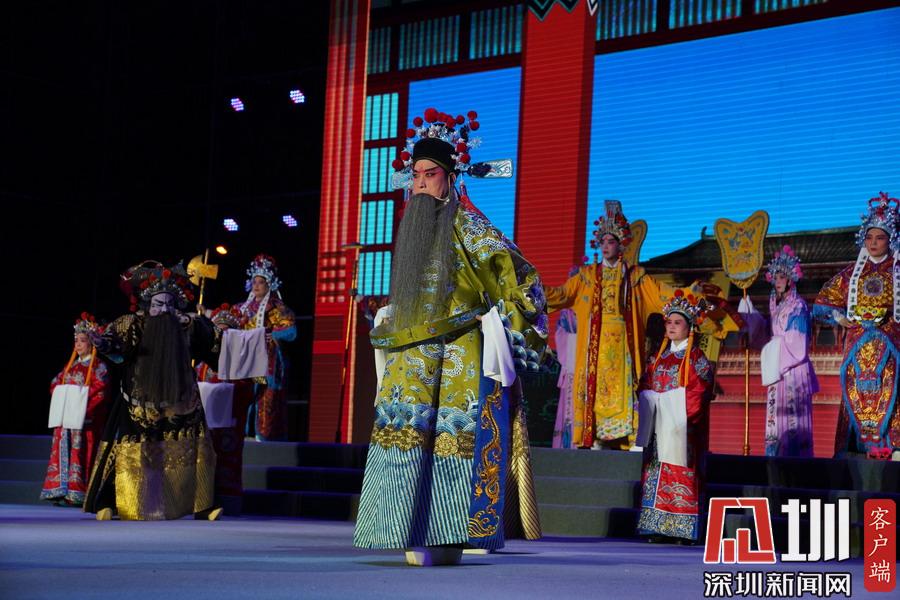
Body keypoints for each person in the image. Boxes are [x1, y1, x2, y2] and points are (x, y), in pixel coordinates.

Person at [353, 107, 548, 565]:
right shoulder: (412, 230)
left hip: (458, 351)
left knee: (451, 439)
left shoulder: (470, 227)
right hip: (410, 353)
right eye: (416, 175)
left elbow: (523, 281)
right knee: (403, 431)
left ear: (451, 177)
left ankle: (445, 536)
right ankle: (400, 527)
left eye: (431, 174)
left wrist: (498, 324)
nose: (420, 183)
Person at [545, 202, 718, 450]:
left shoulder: (636, 278)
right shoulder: (586, 277)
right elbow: (561, 294)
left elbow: (664, 295)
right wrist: (534, 289)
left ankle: (626, 438)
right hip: (595, 348)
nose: (606, 246)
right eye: (602, 241)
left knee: (626, 390)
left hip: (624, 348)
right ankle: (595, 438)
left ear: (621, 245)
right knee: (596, 390)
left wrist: (689, 292)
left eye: (611, 241)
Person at [83, 261, 221, 520]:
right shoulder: (132, 323)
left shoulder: (186, 325)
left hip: (181, 399)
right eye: (158, 304)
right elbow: (115, 347)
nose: (164, 309)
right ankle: (110, 502)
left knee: (195, 445)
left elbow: (213, 344)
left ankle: (203, 505)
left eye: (169, 304)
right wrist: (102, 343)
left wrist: (197, 323)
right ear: (147, 304)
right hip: (140, 400)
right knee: (128, 448)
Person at [814, 192, 900, 460]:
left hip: (889, 346)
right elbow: (823, 302)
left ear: (890, 239)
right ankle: (858, 452)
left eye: (880, 237)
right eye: (869, 237)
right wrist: (840, 318)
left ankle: (891, 450)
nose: (873, 242)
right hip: (857, 351)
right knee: (857, 395)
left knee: (891, 395)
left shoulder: (897, 270)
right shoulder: (852, 273)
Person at [636, 290, 713, 544]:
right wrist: (650, 398)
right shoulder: (657, 358)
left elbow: (700, 391)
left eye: (677, 323)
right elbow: (644, 384)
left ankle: (682, 528)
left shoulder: (696, 359)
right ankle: (655, 525)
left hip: (683, 429)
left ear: (689, 327)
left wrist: (673, 408)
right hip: (659, 426)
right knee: (656, 472)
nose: (671, 327)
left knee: (680, 472)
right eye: (669, 322)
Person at [740, 245, 818, 457]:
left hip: (792, 368)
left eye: (782, 277)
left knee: (793, 419)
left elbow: (797, 344)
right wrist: (749, 315)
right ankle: (775, 460)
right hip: (779, 367)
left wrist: (773, 350)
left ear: (791, 278)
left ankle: (794, 463)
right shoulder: (776, 306)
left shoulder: (798, 306)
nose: (778, 281)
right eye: (775, 277)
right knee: (777, 417)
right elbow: (767, 333)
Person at [40, 313, 111, 506]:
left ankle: (79, 493)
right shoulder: (71, 366)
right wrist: (65, 396)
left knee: (82, 453)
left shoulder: (99, 367)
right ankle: (60, 490)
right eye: (76, 341)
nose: (78, 345)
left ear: (91, 343)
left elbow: (100, 392)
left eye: (82, 341)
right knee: (62, 451)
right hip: (66, 419)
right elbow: (55, 382)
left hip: (84, 421)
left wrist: (83, 409)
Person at [228, 254, 297, 441]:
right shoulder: (242, 308)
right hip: (244, 360)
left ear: (269, 284)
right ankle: (241, 434)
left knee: (267, 399)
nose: (256, 286)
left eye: (261, 282)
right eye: (254, 282)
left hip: (269, 361)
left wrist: (271, 333)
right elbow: (227, 322)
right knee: (243, 397)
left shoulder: (276, 307)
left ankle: (265, 437)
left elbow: (291, 331)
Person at [552, 307, 577, 449]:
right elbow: (560, 335)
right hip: (572, 369)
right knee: (568, 408)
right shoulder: (567, 314)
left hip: (589, 367)